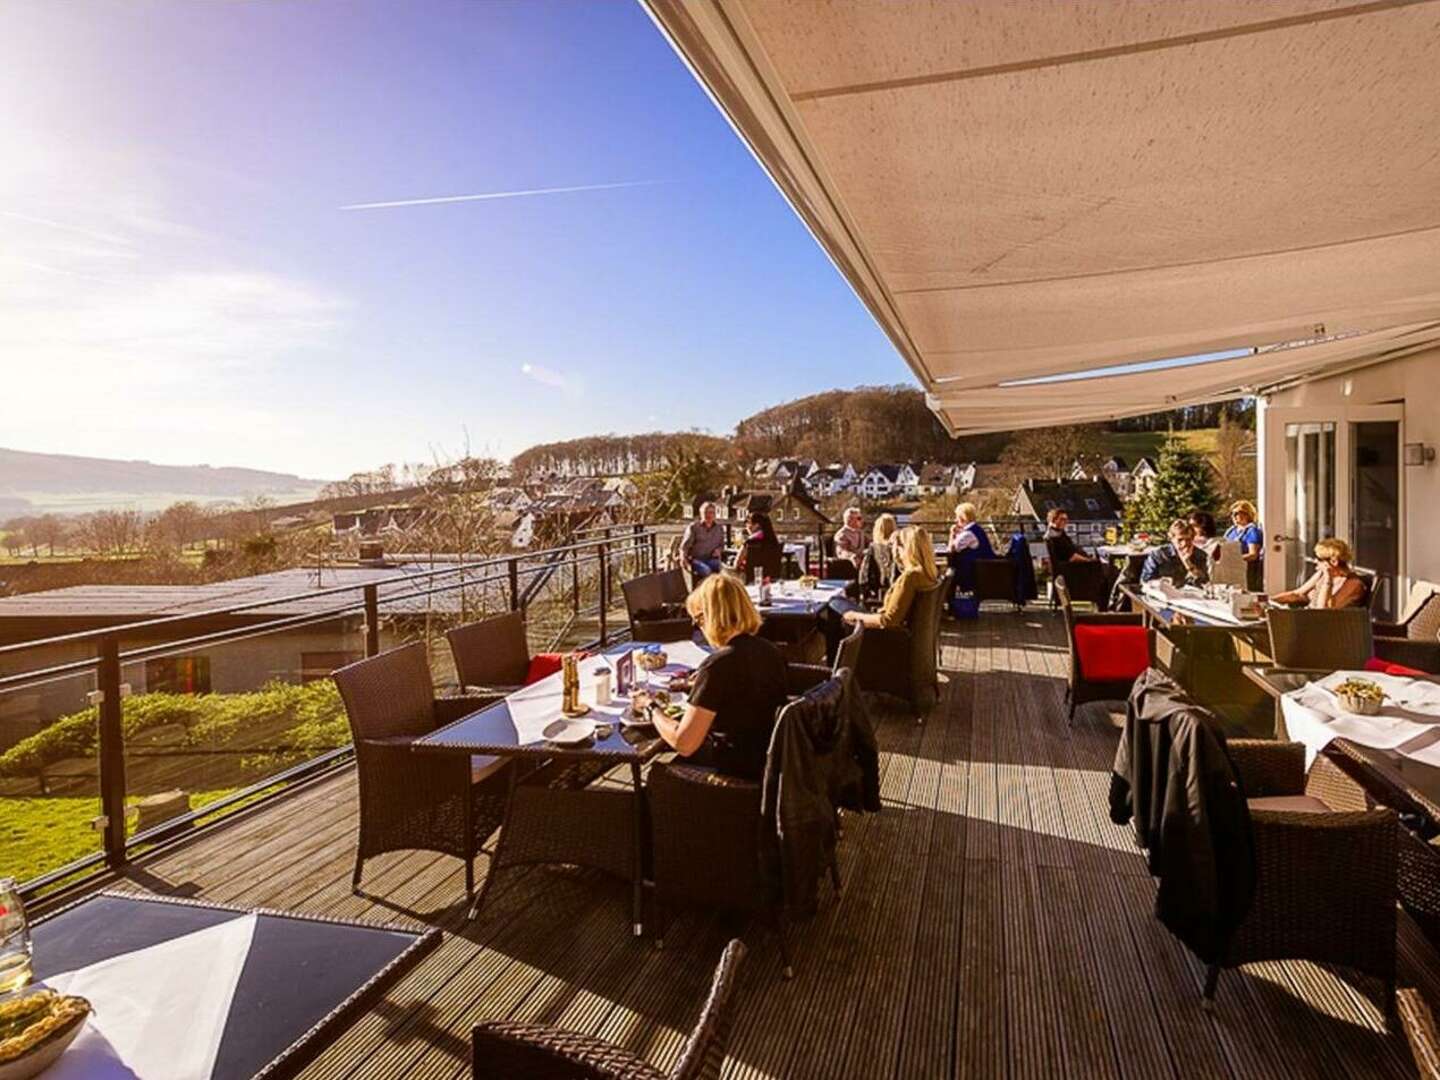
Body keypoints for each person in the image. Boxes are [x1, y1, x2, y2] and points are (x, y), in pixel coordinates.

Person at [650, 573, 788, 780]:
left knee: (657, 775)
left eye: (697, 620)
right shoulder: (770, 650)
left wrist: (652, 709)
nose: (699, 628)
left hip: (734, 776)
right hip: (769, 763)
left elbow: (684, 743)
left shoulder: (718, 665)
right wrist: (699, 686)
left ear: (710, 616)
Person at [839, 526, 940, 634]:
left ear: (906, 549)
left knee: (836, 604)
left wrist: (854, 616)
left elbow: (888, 621)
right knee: (839, 603)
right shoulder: (930, 574)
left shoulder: (910, 578)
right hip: (908, 637)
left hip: (887, 638)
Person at [1045, 507, 1117, 609]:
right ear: (1054, 519)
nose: (1065, 522)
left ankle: (1107, 601)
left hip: (1069, 568)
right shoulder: (1056, 537)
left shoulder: (1056, 532)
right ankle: (1105, 603)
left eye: (1066, 519)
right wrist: (1089, 560)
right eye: (1062, 519)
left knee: (1105, 568)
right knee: (1106, 571)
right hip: (1072, 571)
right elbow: (1072, 557)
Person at [1273, 537, 1367, 609]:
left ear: (1334, 561)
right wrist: (1269, 601)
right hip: (1308, 619)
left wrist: (1328, 579)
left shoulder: (1353, 584)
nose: (1316, 562)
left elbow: (1323, 610)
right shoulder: (1321, 574)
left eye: (1319, 559)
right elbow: (1297, 594)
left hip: (1326, 627)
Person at [1140, 519, 1210, 588]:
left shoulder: (1200, 555)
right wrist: (1161, 582)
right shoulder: (1158, 555)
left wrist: (1189, 565)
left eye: (1188, 540)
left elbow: (1204, 583)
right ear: (1172, 539)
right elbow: (1145, 581)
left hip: (1190, 596)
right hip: (1163, 595)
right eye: (1180, 540)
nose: (1184, 544)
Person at [947, 501, 996, 593]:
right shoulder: (976, 529)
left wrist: (952, 534)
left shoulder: (968, 534)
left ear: (962, 518)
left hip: (972, 572)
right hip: (981, 568)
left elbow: (951, 549)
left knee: (950, 570)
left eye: (957, 517)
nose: (955, 520)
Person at [1223, 500, 1265, 592]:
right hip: (1230, 570)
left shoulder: (1251, 531)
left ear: (1248, 514)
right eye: (1233, 513)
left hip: (1246, 571)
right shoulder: (1231, 531)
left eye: (1239, 513)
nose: (1235, 516)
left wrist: (1235, 559)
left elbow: (1253, 555)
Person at [681, 501, 725, 580]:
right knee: (706, 570)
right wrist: (683, 559)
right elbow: (684, 547)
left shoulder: (719, 528)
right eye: (706, 512)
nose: (708, 515)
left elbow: (722, 545)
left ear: (715, 514)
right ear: (701, 514)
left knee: (725, 569)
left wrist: (719, 550)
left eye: (711, 512)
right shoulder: (694, 528)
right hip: (696, 560)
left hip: (711, 559)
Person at [858, 513, 899, 598]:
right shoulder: (899, 547)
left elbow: (864, 572)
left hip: (879, 587)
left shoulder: (874, 547)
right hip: (897, 587)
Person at [735, 511, 782, 582]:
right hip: (772, 578)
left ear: (756, 525)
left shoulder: (749, 542)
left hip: (751, 579)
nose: (746, 526)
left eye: (748, 523)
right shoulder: (774, 542)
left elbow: (736, 563)